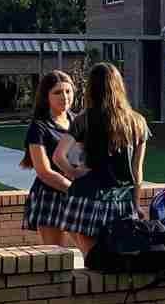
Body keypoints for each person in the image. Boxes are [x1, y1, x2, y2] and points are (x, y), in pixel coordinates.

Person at [53, 63, 149, 254]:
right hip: (121, 200)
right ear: (119, 86)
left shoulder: (84, 119)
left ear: (91, 88)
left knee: (91, 259)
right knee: (118, 257)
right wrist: (136, 204)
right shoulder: (138, 122)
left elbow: (58, 156)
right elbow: (137, 171)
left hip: (87, 197)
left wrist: (74, 172)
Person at [20, 71, 77, 248]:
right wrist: (75, 189)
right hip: (50, 196)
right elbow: (44, 172)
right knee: (55, 256)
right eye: (57, 92)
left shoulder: (79, 121)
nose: (64, 97)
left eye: (68, 91)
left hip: (78, 195)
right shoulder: (38, 127)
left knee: (92, 252)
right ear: (46, 96)